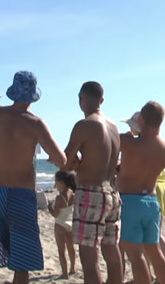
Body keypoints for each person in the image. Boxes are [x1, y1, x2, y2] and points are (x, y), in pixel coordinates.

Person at [0, 71, 66, 284]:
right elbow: (61, 159)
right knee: (22, 261)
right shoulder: (35, 123)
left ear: (13, 92)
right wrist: (50, 158)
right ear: (33, 96)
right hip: (22, 195)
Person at [63, 81, 122, 284]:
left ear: (81, 100)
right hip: (112, 193)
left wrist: (69, 163)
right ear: (102, 100)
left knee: (90, 261)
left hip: (90, 193)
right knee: (112, 254)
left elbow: (66, 161)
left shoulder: (84, 125)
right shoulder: (114, 127)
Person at [117, 102, 165, 284]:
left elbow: (110, 146)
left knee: (135, 256)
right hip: (151, 200)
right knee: (155, 253)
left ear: (141, 119)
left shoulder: (128, 142)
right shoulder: (164, 147)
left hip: (131, 202)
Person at [47, 171, 76, 279]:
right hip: (70, 222)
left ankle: (64, 274)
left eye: (56, 181)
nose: (56, 183)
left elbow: (55, 214)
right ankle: (73, 268)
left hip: (60, 223)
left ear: (61, 182)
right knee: (71, 247)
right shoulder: (72, 193)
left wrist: (49, 207)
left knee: (61, 250)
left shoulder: (60, 198)